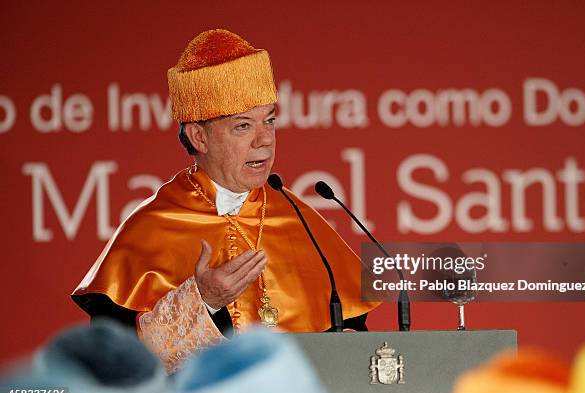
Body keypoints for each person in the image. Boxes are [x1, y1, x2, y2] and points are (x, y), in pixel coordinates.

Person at [72, 28, 379, 374]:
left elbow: (352, 342)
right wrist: (201, 301)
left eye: (270, 121)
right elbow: (117, 364)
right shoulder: (150, 226)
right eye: (243, 126)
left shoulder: (300, 219)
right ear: (199, 137)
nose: (264, 141)